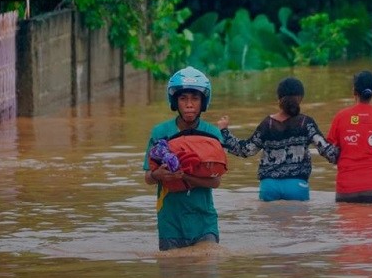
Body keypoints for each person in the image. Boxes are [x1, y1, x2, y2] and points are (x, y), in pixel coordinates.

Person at [217, 77, 338, 202]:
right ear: (301, 98)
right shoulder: (305, 123)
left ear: (278, 99)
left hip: (269, 186)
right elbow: (327, 150)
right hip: (296, 186)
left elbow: (246, 150)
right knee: (299, 222)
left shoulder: (267, 124)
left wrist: (224, 131)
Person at [143, 66, 223, 251]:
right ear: (175, 102)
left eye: (195, 98)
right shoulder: (160, 133)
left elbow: (216, 181)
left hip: (204, 220)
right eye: (183, 98)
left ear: (203, 102)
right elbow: (148, 178)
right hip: (170, 221)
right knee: (173, 277)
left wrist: (184, 177)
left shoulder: (212, 134)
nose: (189, 104)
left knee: (207, 272)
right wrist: (158, 175)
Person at [326, 71, 372, 203]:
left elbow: (329, 151)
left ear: (354, 91)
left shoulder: (340, 117)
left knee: (346, 223)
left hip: (346, 188)